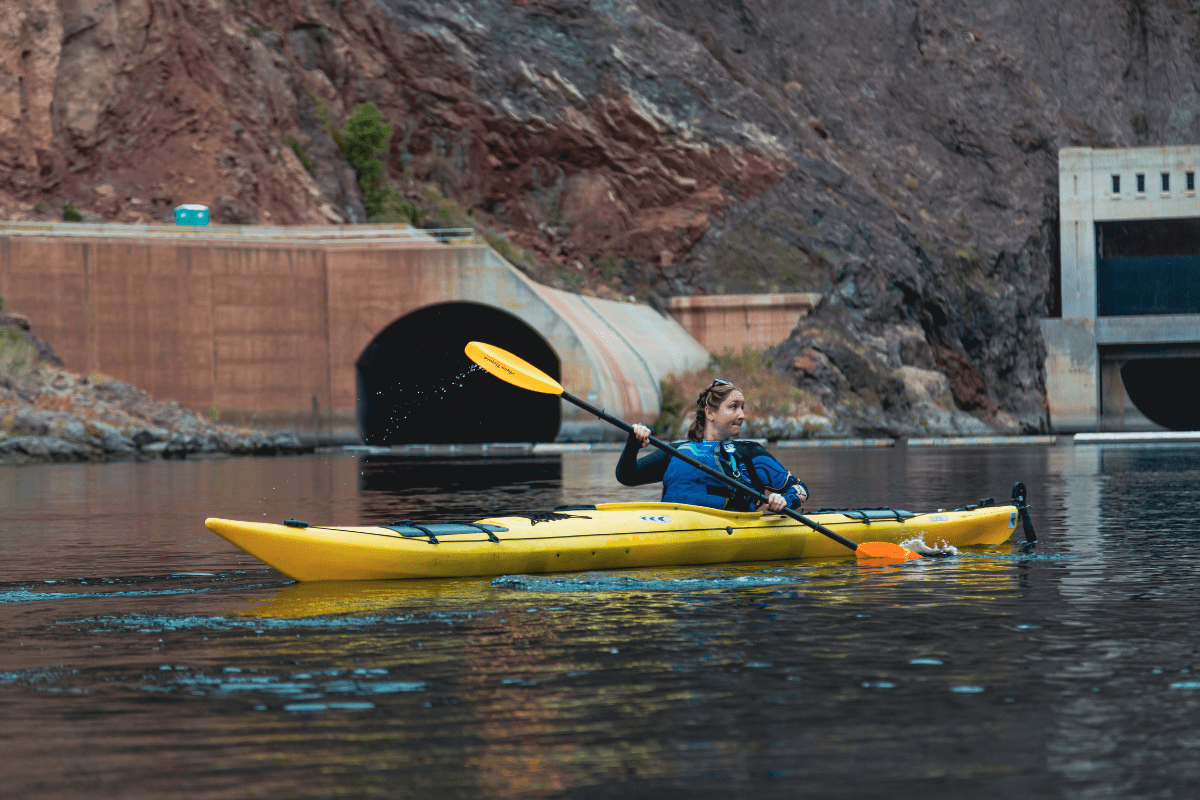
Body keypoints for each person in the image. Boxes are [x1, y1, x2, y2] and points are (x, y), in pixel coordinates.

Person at [615, 379, 808, 513]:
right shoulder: (676, 451)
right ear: (710, 413)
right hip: (670, 526)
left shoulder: (750, 454)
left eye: (742, 407)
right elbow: (627, 477)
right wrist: (633, 444)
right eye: (733, 407)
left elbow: (799, 488)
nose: (741, 415)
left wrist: (784, 500)